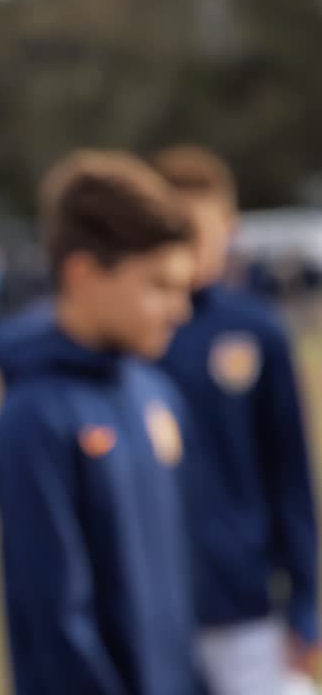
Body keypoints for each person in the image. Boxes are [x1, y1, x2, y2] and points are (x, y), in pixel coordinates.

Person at [0, 150, 205, 694]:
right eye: (157, 286)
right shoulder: (35, 417)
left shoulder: (155, 392)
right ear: (83, 274)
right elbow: (55, 618)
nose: (179, 310)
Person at [152, 145, 319, 695]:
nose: (184, 247)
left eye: (195, 228)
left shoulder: (257, 331)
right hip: (155, 605)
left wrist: (306, 602)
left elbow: (290, 470)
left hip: (246, 604)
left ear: (229, 228)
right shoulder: (133, 338)